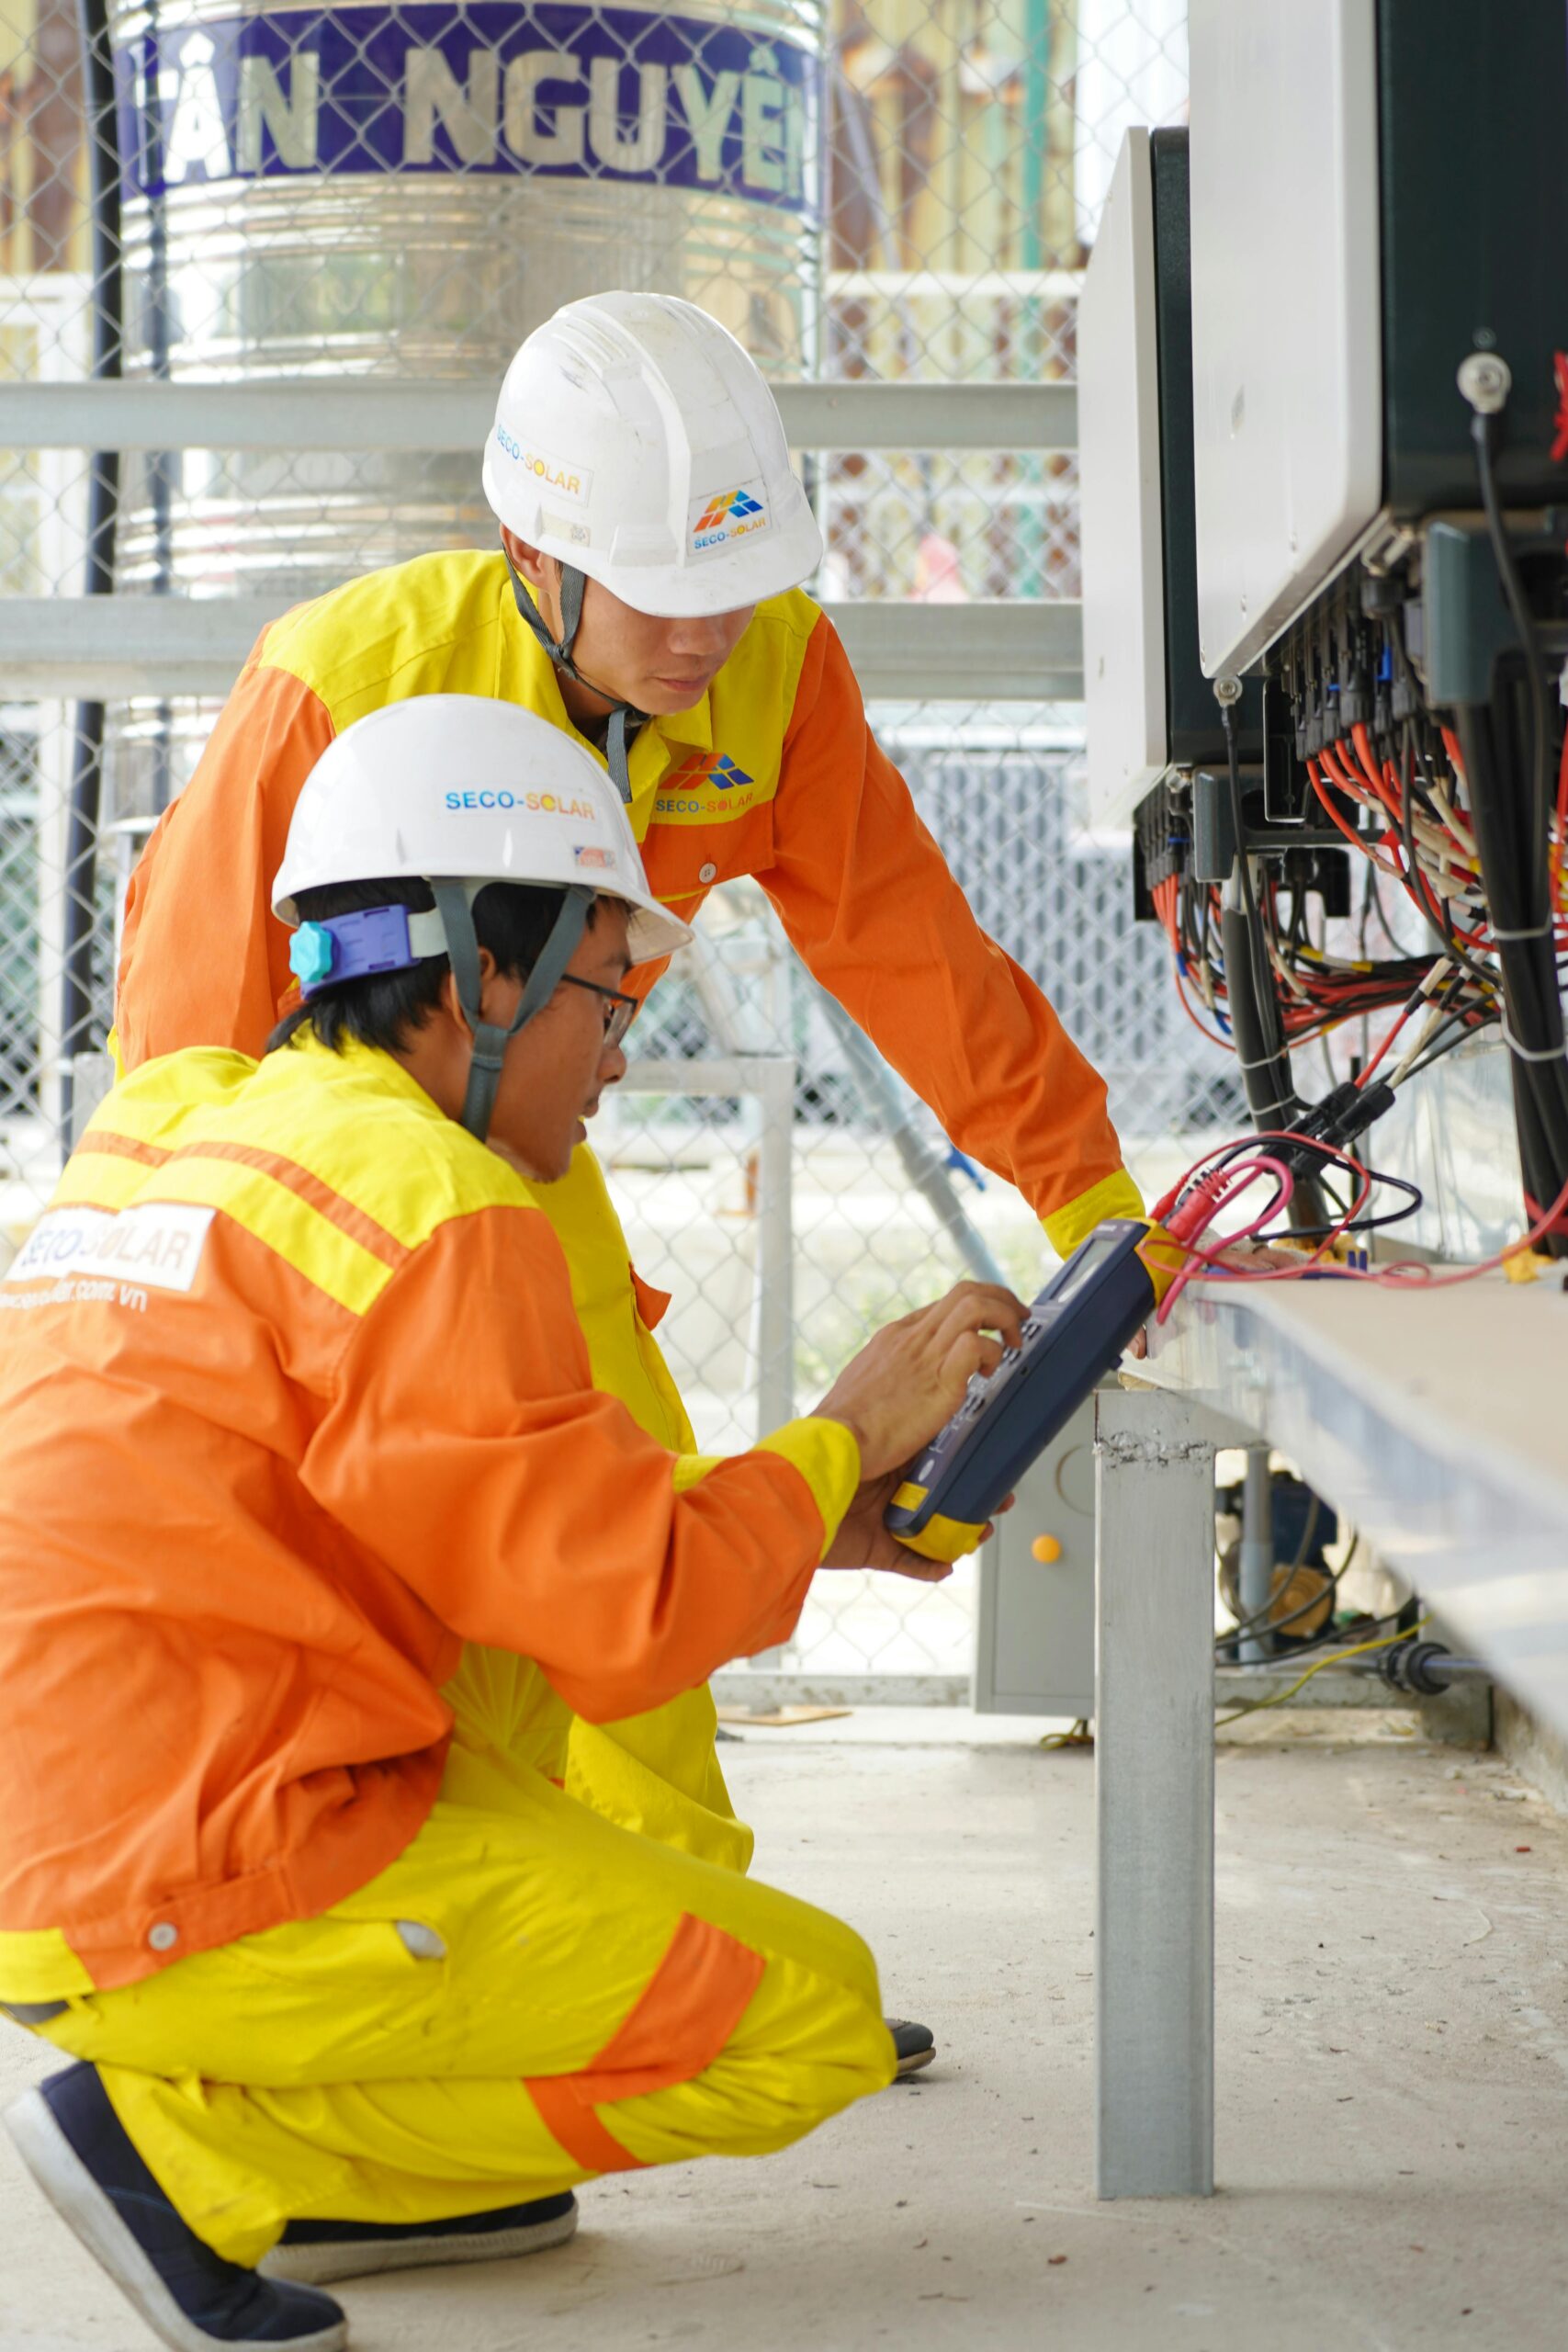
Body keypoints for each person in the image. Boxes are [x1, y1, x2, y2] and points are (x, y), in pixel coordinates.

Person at [107, 289, 1163, 2218]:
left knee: (604, 1498)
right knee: (546, 1529)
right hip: (316, 1152)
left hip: (513, 1119)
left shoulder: (767, 669)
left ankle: (638, 1934)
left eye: (734, 584)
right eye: (654, 589)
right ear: (528, 554)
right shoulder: (347, 670)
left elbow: (904, 944)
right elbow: (183, 1032)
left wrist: (1091, 1197)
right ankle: (596, 1966)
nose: (701, 630)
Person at [0, 700, 1025, 2352]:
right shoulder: (441, 1205)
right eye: (609, 993)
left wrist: (821, 1518)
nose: (619, 1055)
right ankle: (191, 2144)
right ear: (487, 970)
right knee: (809, 2021)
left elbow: (485, 1520)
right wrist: (842, 1435)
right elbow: (621, 1618)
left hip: (90, 1819)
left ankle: (309, 2152)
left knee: (532, 1709)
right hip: (212, 1862)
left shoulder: (182, 1121)